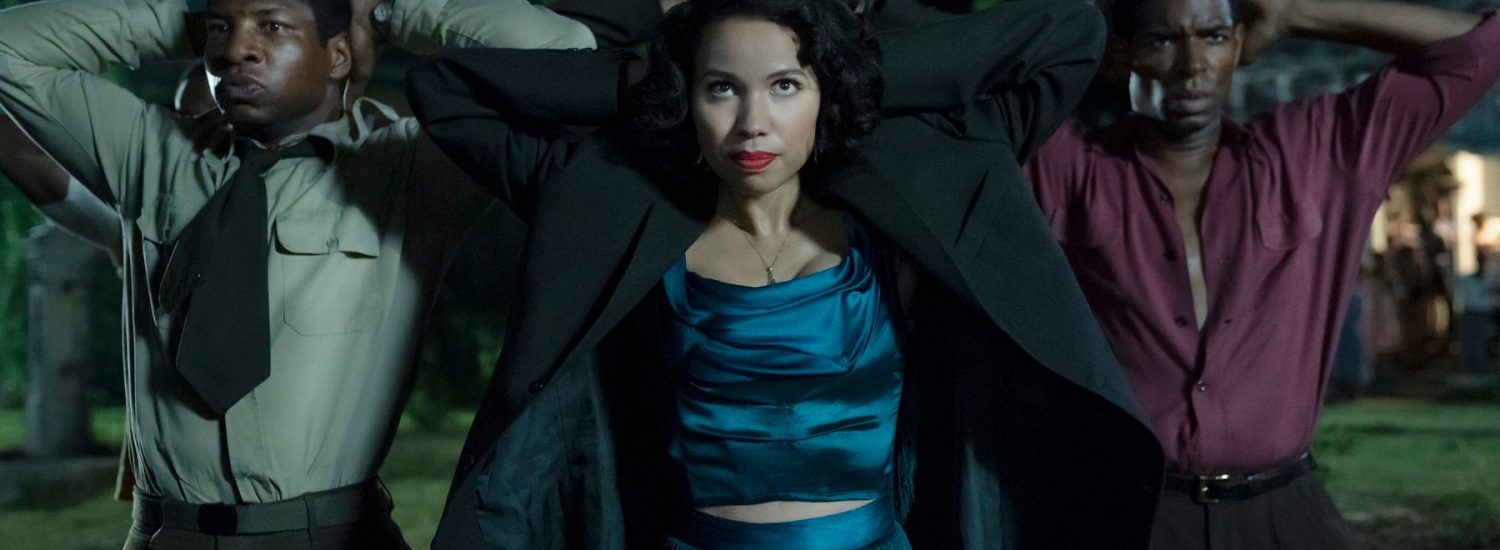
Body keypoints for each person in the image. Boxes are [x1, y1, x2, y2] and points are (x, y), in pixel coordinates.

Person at [408, 0, 1163, 548]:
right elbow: (445, 89)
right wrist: (657, 73)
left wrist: (844, 70)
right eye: (722, 89)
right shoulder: (625, 218)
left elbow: (1071, 33)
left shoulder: (897, 223)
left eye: (784, 87)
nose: (753, 124)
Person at [0, 0, 596, 546]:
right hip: (164, 535)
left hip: (330, 538)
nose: (236, 50)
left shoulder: (406, 169)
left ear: (338, 55)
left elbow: (568, 53)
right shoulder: (149, 153)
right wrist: (190, 17)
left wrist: (385, 13)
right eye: (222, 31)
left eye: (273, 25)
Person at [1023, 0, 1500, 547]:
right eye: (1163, 41)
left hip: (1286, 517)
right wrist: (1081, 19)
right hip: (1129, 515)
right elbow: (961, 83)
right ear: (1122, 54)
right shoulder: (1068, 170)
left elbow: (1479, 49)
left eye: (1214, 36)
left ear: (1238, 46)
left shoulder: (1316, 156)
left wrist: (1294, 13)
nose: (1192, 64)